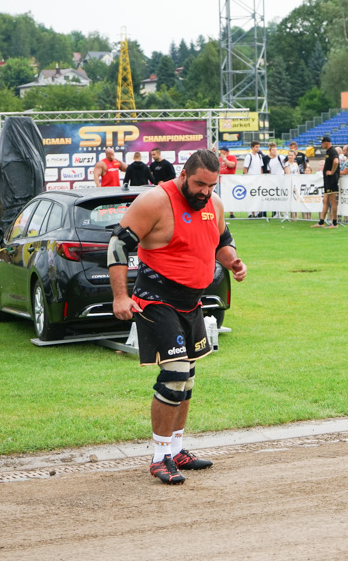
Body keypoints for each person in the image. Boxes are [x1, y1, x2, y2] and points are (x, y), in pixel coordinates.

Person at [108, 149, 247, 485]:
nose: (204, 192)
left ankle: (177, 450)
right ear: (184, 175)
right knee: (174, 375)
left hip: (192, 302)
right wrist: (120, 296)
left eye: (211, 186)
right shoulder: (155, 201)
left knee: (188, 379)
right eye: (199, 184)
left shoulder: (213, 205)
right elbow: (117, 244)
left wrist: (233, 260)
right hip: (156, 299)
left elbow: (222, 241)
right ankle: (159, 458)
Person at [312, 136, 340, 228]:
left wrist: (332, 172)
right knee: (325, 201)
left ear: (327, 142)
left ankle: (335, 223)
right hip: (328, 180)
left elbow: (336, 161)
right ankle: (321, 222)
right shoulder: (329, 151)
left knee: (333, 202)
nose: (321, 144)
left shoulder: (332, 151)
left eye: (322, 142)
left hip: (332, 180)